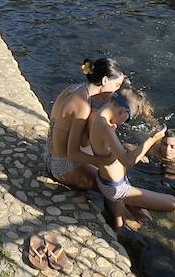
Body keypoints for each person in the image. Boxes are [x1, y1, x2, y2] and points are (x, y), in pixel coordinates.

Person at [76, 59, 174, 231]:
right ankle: (126, 208)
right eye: (127, 120)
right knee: (172, 203)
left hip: (110, 181)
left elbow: (111, 153)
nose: (124, 123)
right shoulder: (105, 125)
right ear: (123, 111)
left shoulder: (98, 116)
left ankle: (125, 221)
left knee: (130, 222)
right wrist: (152, 139)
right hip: (115, 187)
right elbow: (128, 161)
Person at [45, 60, 129, 191]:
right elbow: (73, 154)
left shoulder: (75, 89)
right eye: (117, 85)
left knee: (96, 117)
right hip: (62, 168)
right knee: (115, 188)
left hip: (49, 156)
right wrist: (105, 162)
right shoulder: (82, 106)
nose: (116, 92)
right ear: (105, 80)